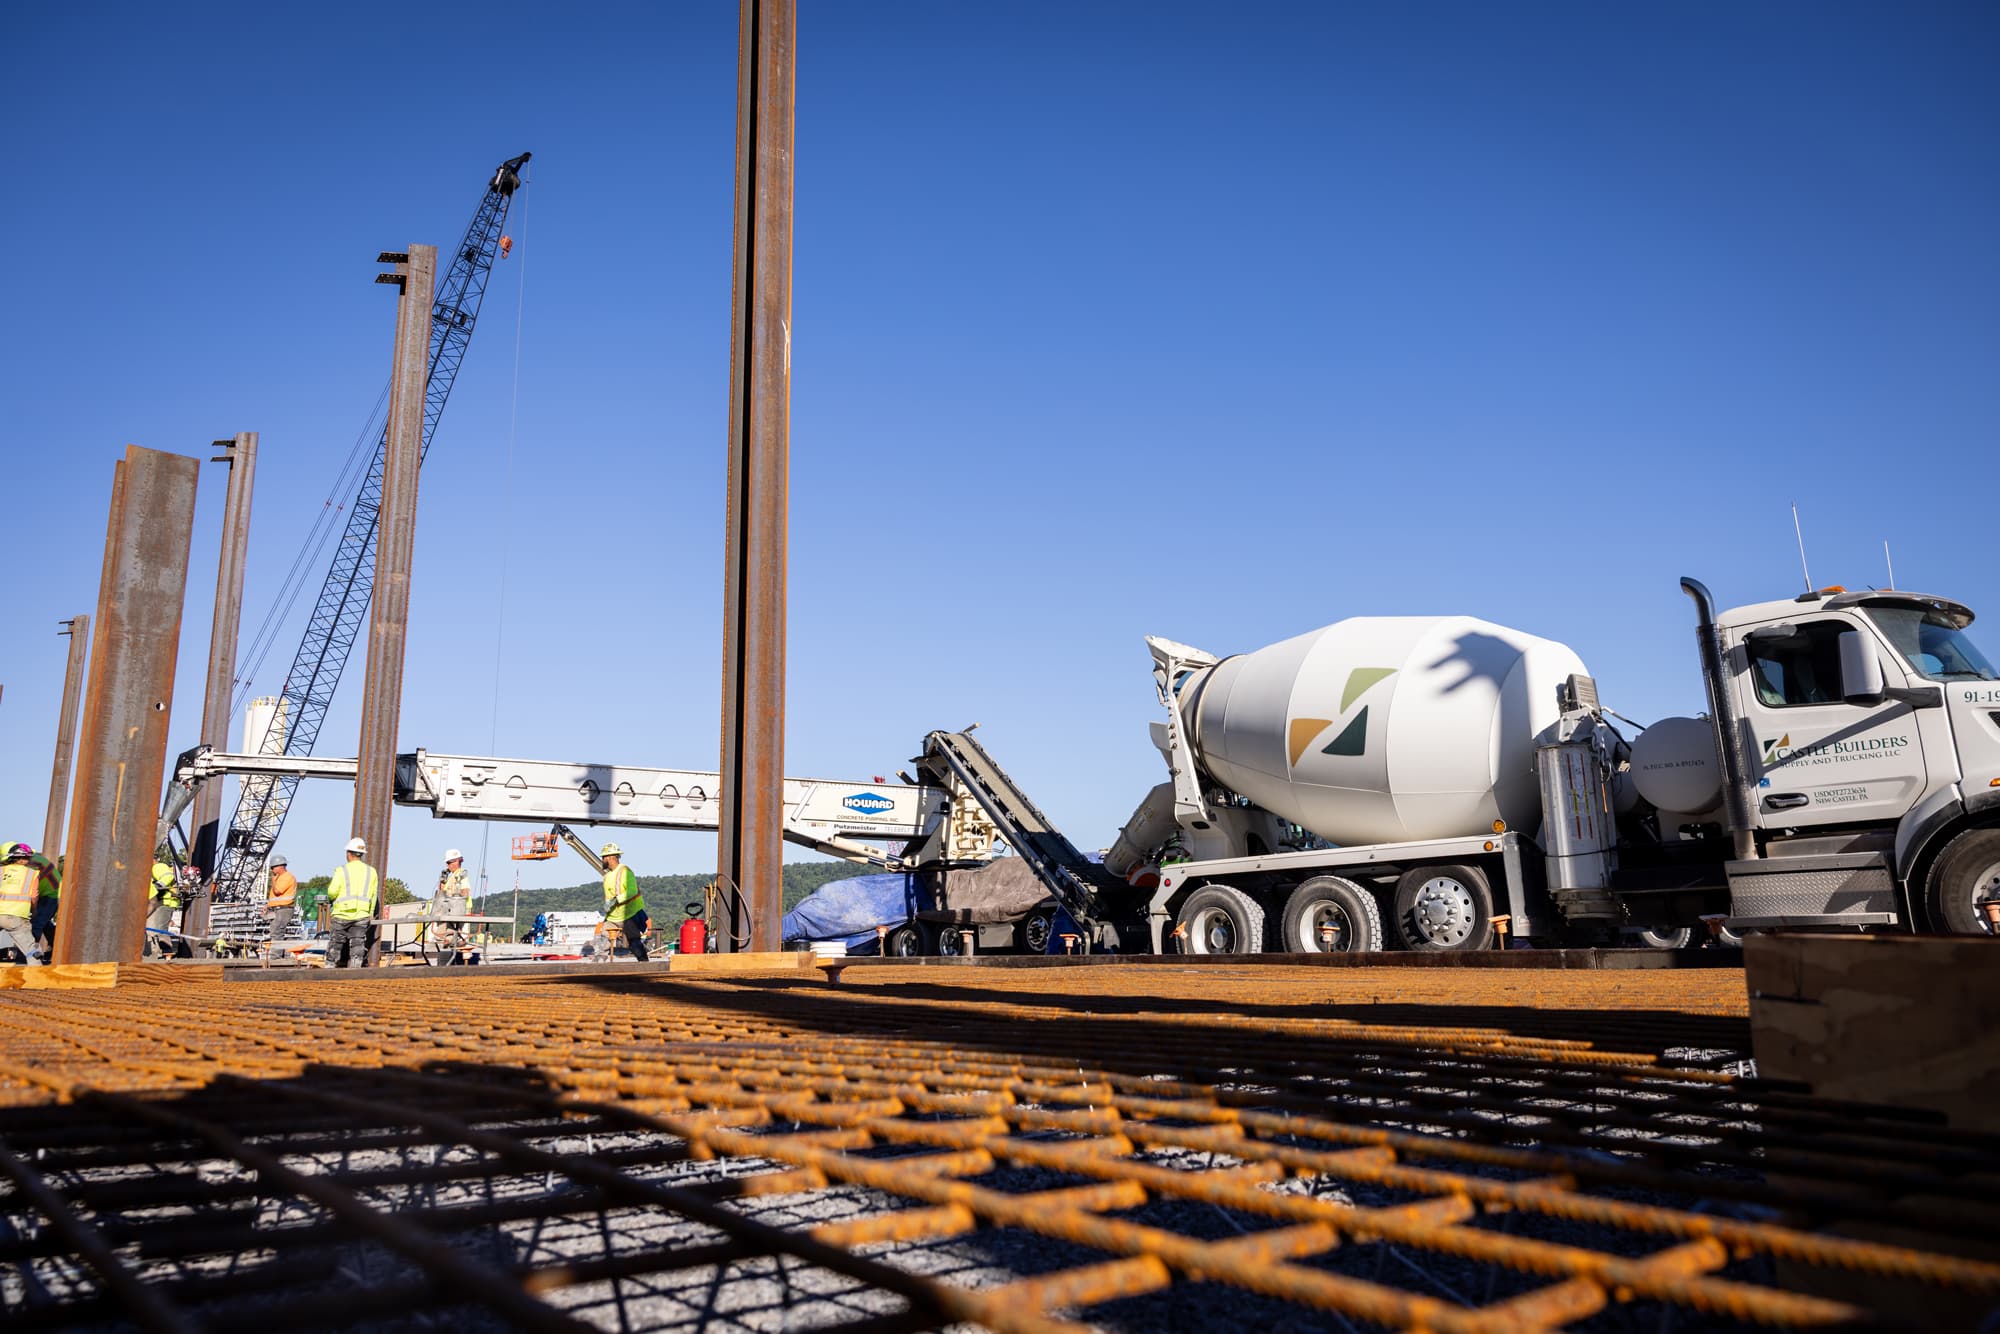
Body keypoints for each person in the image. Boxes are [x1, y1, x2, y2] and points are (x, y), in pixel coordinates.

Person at [326, 837, 380, 968]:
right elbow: (373, 895)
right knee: (357, 944)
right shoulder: (371, 872)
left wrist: (331, 900)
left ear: (348, 854)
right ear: (361, 854)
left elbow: (332, 891)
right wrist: (371, 912)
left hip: (341, 914)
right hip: (362, 915)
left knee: (335, 944)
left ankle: (329, 969)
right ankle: (355, 970)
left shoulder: (341, 870)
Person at [600, 843, 649, 962]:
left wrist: (616, 900)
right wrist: (607, 905)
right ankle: (599, 966)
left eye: (603, 857)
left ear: (611, 857)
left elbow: (632, 891)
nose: (602, 860)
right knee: (602, 940)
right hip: (613, 916)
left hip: (629, 914)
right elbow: (609, 896)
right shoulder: (607, 877)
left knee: (634, 943)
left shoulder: (625, 871)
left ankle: (645, 965)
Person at [0, 843, 45, 966]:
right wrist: (34, 910)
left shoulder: (1, 870)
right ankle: (38, 980)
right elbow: (34, 896)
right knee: (31, 951)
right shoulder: (32, 873)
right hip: (16, 917)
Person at [28, 849, 60, 961]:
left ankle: (29, 954)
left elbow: (29, 887)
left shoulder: (29, 864)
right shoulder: (35, 859)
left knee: (36, 923)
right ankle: (57, 948)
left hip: (50, 895)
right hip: (50, 893)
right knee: (45, 923)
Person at [149, 860, 183, 958]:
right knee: (154, 930)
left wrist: (157, 887)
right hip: (160, 902)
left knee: (160, 929)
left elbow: (168, 876)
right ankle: (159, 954)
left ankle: (167, 953)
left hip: (164, 902)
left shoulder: (157, 867)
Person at [265, 852, 297, 957]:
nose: (272, 870)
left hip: (284, 909)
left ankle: (275, 957)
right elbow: (275, 897)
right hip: (278, 909)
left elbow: (278, 891)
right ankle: (278, 955)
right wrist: (267, 906)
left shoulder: (287, 877)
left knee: (277, 932)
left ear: (280, 866)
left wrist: (273, 881)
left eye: (273, 867)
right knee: (275, 931)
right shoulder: (280, 877)